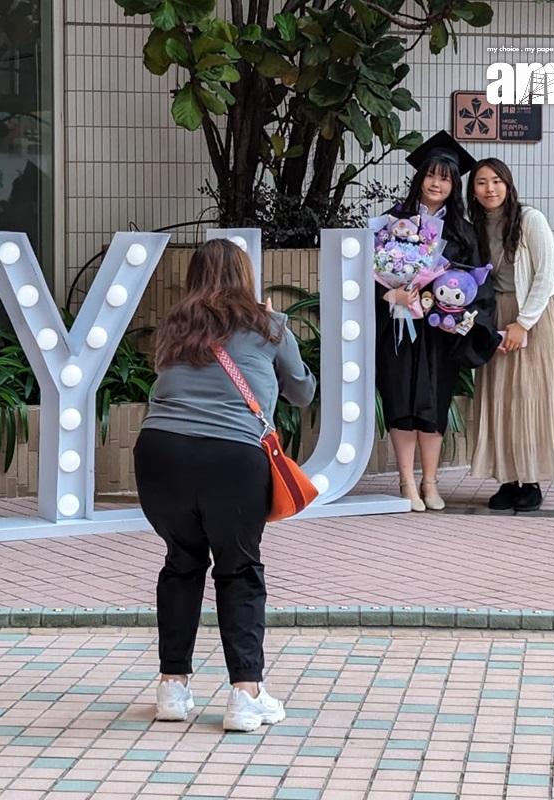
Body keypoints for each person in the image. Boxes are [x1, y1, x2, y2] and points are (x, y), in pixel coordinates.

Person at [135, 239, 316, 733]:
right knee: (238, 571)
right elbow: (302, 391)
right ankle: (245, 695)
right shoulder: (269, 326)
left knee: (182, 562)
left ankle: (172, 688)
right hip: (232, 457)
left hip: (159, 452)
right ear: (245, 276)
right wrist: (274, 332)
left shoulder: (175, 326)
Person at [376, 131, 500, 513]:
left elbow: (479, 284)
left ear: (454, 185)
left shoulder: (463, 231)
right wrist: (392, 294)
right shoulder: (392, 222)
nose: (436, 183)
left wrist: (462, 317)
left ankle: (430, 481)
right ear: (420, 178)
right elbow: (367, 274)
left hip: (438, 334)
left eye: (445, 177)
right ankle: (406, 481)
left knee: (433, 403)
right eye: (431, 175)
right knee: (401, 400)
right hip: (398, 326)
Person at [467, 158, 554, 512]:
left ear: (508, 185)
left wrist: (523, 323)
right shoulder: (475, 227)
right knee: (501, 397)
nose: (490, 189)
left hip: (533, 317)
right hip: (496, 315)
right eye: (481, 182)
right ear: (473, 190)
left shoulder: (530, 220)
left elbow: (546, 275)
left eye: (497, 181)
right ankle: (509, 480)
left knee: (529, 396)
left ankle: (532, 480)